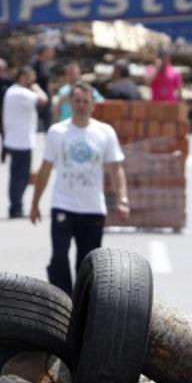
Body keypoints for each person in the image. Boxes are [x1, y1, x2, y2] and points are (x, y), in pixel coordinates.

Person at [30, 82, 129, 294]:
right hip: (63, 205)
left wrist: (122, 200)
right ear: (71, 103)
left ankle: (83, 308)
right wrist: (35, 203)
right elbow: (45, 169)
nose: (81, 105)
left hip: (92, 208)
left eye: (86, 101)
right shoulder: (57, 132)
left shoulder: (105, 132)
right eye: (77, 101)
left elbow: (116, 169)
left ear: (93, 104)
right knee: (58, 257)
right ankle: (62, 303)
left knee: (88, 264)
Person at [3, 66, 49, 218]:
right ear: (23, 77)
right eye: (30, 77)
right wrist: (36, 87)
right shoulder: (20, 92)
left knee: (18, 175)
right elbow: (43, 100)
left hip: (18, 139)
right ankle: (16, 207)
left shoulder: (14, 91)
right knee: (20, 176)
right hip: (21, 141)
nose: (33, 81)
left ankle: (16, 205)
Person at [31, 44, 56, 131]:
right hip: (38, 99)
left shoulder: (46, 64)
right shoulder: (35, 64)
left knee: (48, 125)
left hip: (47, 98)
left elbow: (48, 81)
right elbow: (32, 81)